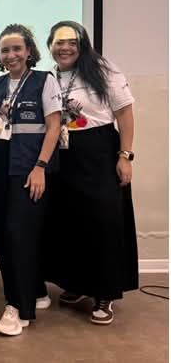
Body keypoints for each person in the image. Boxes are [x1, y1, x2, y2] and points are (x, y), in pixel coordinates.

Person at [44, 20, 138, 325]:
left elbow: (124, 113)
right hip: (64, 154)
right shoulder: (50, 76)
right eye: (59, 42)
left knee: (103, 222)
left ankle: (104, 293)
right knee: (70, 222)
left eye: (72, 42)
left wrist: (125, 156)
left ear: (83, 44)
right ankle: (78, 284)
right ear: (50, 46)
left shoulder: (103, 71)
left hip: (99, 152)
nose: (65, 48)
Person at [0, 24, 62, 336]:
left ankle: (18, 308)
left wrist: (40, 167)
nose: (11, 54)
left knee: (20, 235)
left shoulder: (44, 81)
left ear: (29, 51)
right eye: (5, 50)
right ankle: (35, 290)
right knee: (2, 234)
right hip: (0, 167)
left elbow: (54, 126)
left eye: (17, 48)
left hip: (29, 168)